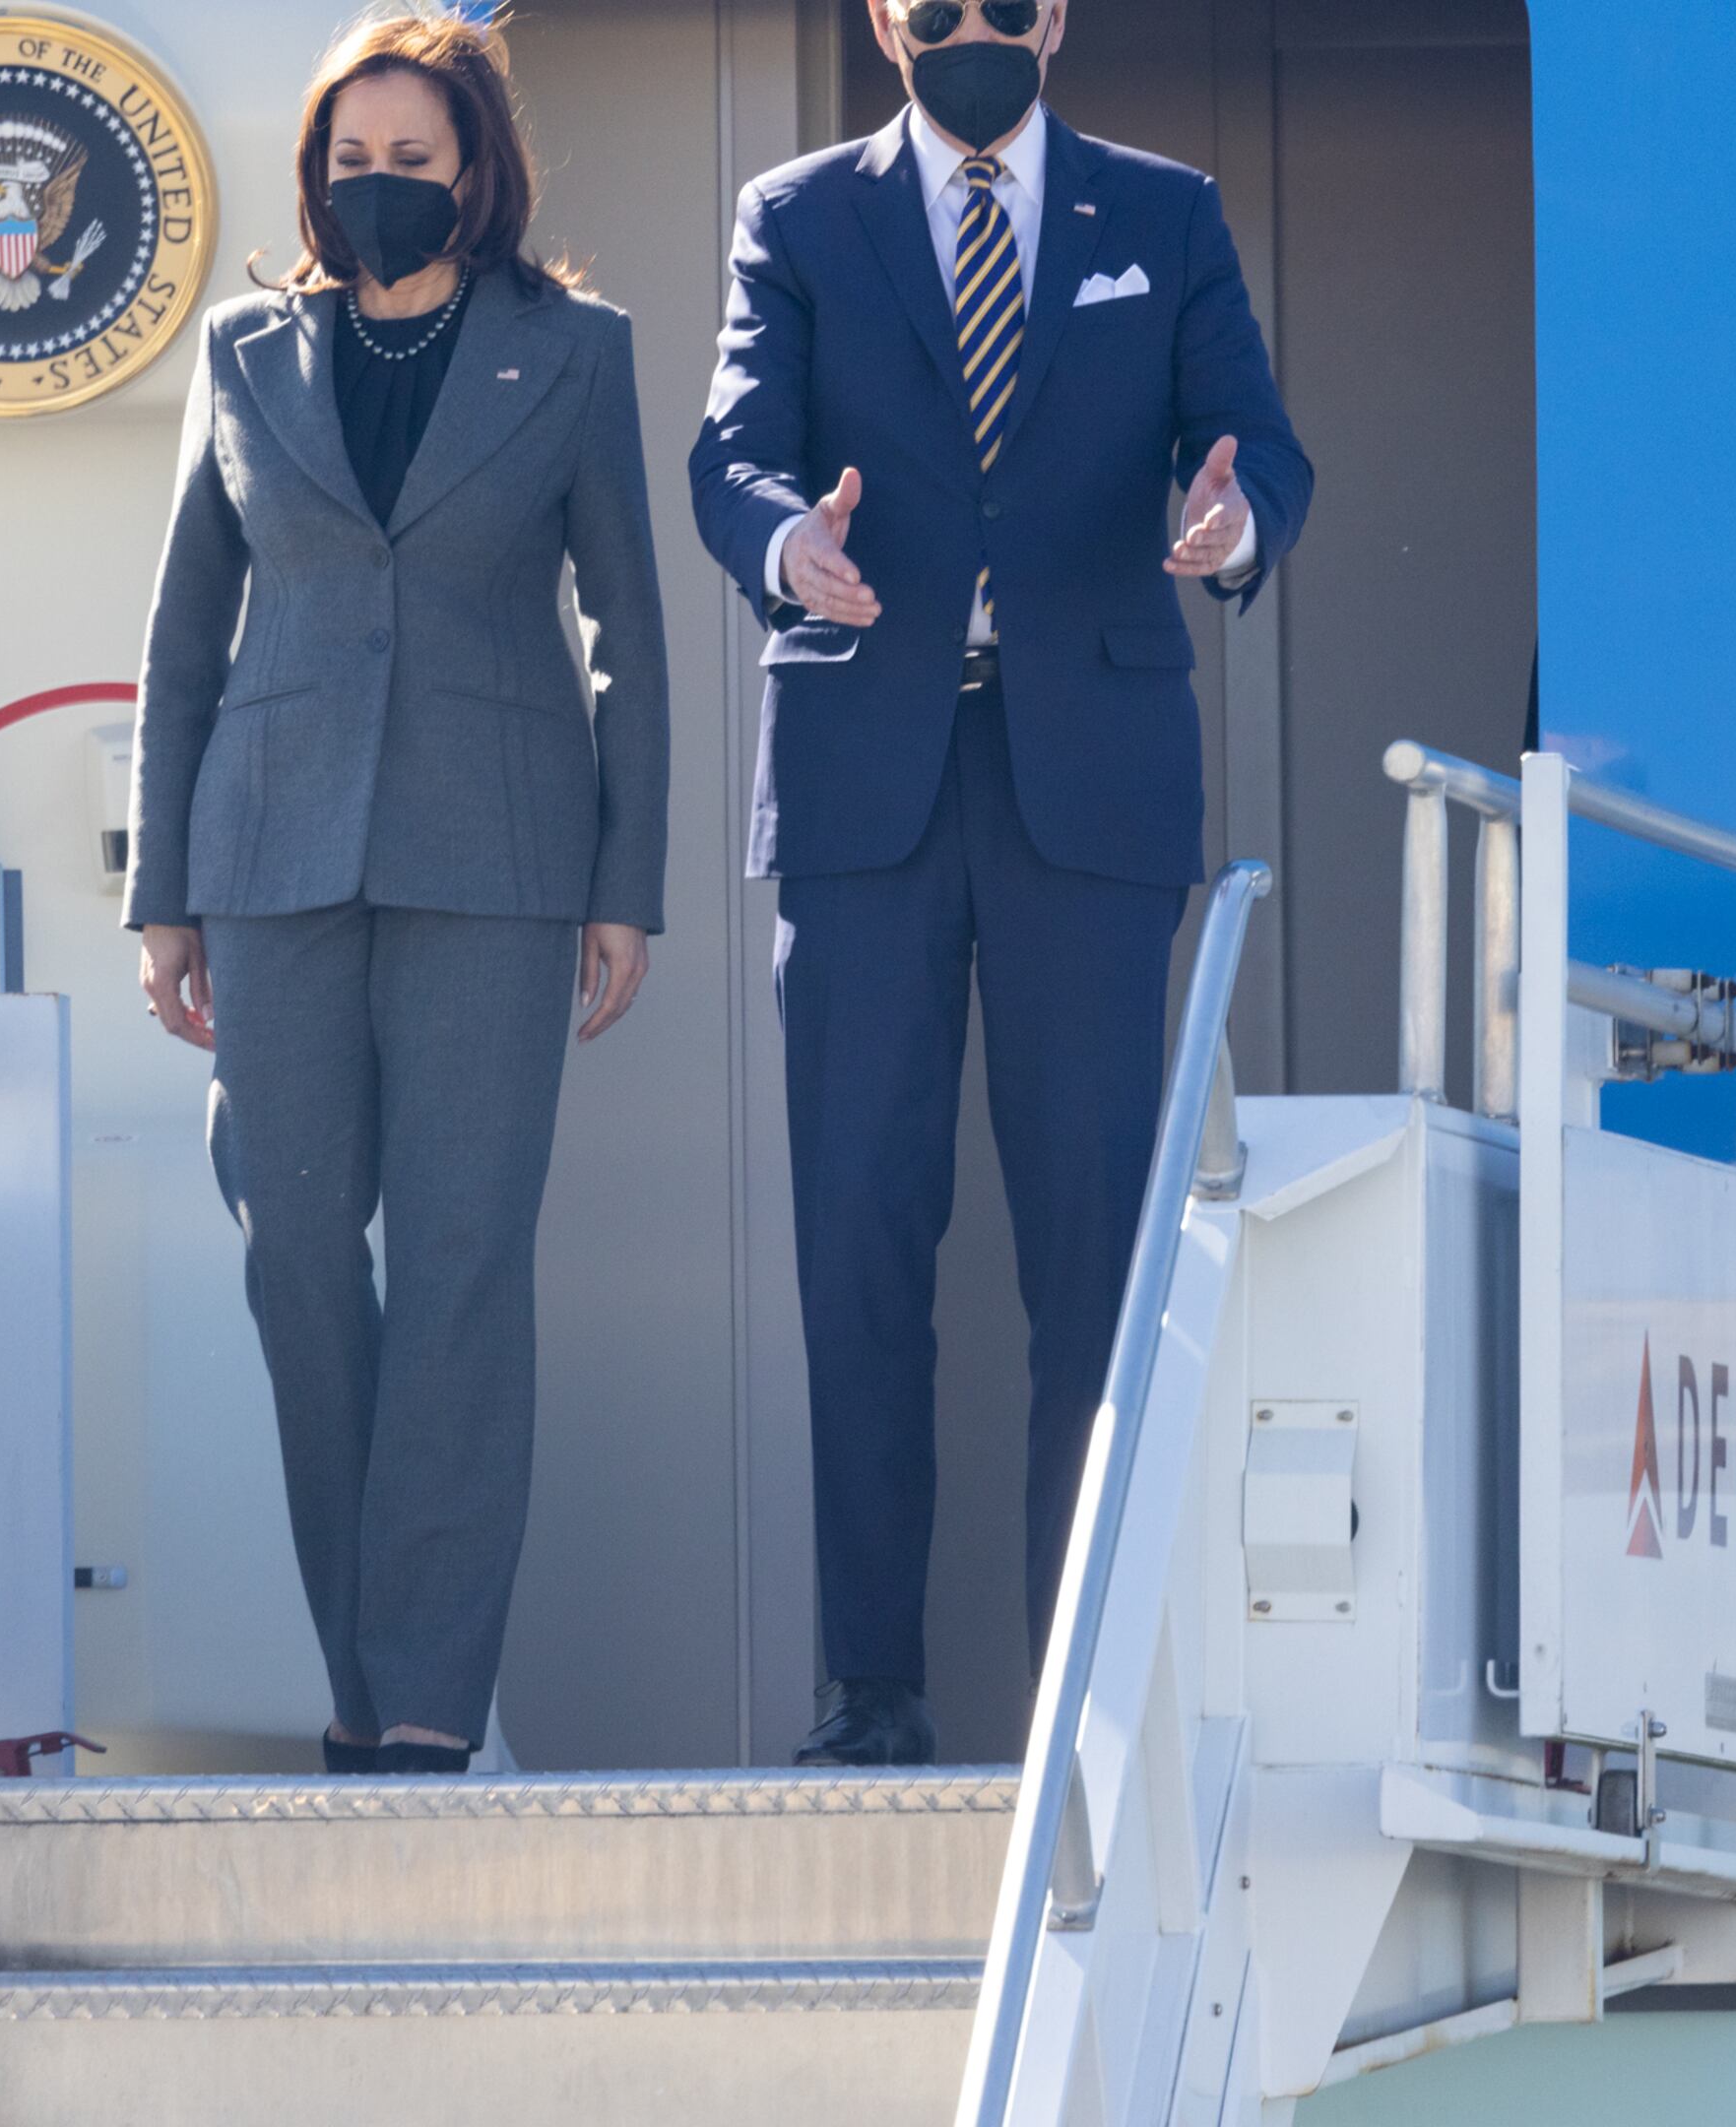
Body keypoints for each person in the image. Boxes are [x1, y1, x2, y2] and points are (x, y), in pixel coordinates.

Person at [688, 0, 1310, 1765]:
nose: (968, 21)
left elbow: (1261, 446)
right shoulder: (798, 214)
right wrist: (786, 542)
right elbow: (729, 457)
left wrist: (1232, 519)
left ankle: (1081, 1695)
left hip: (1087, 798)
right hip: (865, 784)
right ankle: (869, 1694)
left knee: (1095, 1255)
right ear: (883, 17)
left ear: (1056, 17)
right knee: (863, 1249)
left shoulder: (1164, 213)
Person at [125, 9, 666, 1777]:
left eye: (409, 162)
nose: (375, 189)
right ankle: (356, 1665)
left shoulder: (574, 351)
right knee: (295, 1259)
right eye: (348, 163)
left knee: (457, 1272)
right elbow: (182, 639)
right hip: (273, 863)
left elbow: (632, 639)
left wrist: (625, 883)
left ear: (476, 174)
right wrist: (165, 893)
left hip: (496, 872)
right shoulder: (244, 354)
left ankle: (415, 1704)